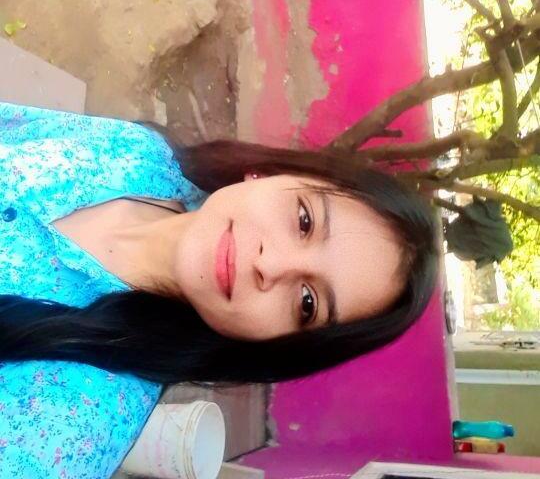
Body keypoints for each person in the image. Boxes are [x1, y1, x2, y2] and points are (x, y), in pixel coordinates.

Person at [0, 101, 439, 479]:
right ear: (272, 174)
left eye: (307, 303)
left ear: (279, 346)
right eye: (304, 221)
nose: (270, 264)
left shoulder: (67, 429)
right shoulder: (138, 152)